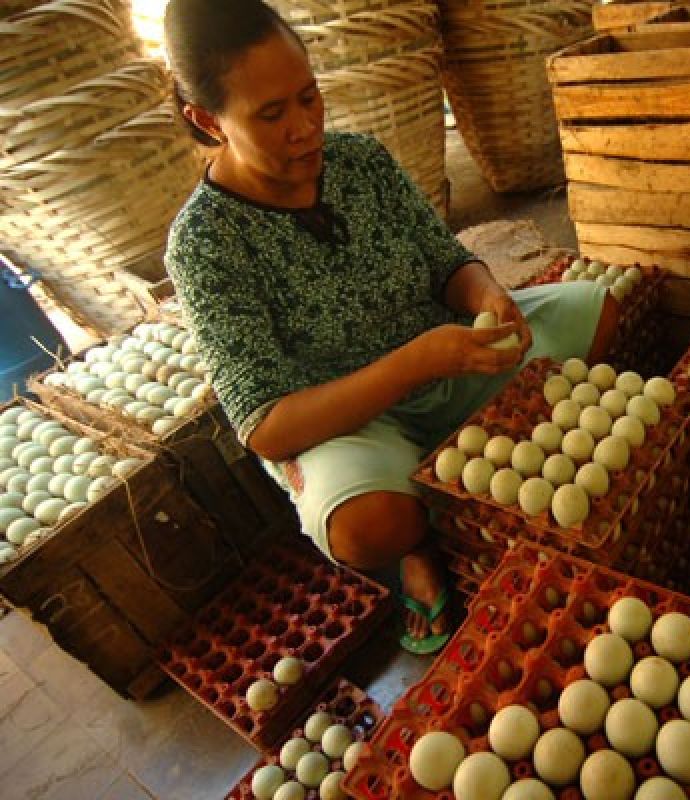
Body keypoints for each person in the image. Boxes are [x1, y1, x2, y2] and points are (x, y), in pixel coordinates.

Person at [162, 0, 617, 653]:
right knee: (363, 526)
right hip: (352, 423)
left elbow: (445, 263)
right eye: (271, 114)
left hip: (449, 363)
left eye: (309, 97)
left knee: (593, 310)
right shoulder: (206, 244)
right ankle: (423, 540)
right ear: (207, 121)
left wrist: (487, 294)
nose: (304, 128)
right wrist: (417, 361)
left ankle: (474, 474)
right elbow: (266, 425)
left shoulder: (360, 162)